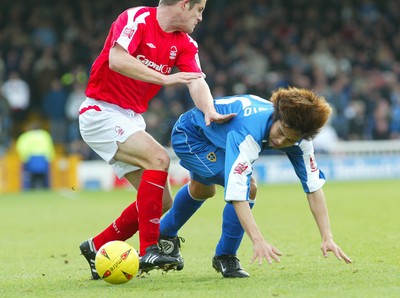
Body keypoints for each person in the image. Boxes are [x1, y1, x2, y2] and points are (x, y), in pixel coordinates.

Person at [78, 0, 235, 280]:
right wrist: (164, 79)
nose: (200, 18)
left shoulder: (186, 43)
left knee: (162, 201)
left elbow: (196, 80)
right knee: (159, 158)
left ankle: (96, 246)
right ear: (184, 5)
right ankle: (149, 248)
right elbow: (117, 59)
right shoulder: (136, 18)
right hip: (100, 110)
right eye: (199, 10)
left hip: (130, 117)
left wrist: (209, 110)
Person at [158, 87, 353, 278]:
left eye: (290, 140)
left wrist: (327, 237)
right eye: (281, 132)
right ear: (276, 117)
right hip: (191, 136)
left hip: (217, 137)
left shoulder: (300, 140)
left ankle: (164, 235)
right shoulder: (250, 132)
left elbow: (313, 187)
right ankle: (226, 255)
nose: (281, 141)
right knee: (248, 185)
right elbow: (237, 191)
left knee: (202, 191)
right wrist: (258, 240)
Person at [15, 122, 56, 189]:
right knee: (46, 176)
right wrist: (50, 159)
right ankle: (47, 188)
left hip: (30, 159)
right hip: (43, 159)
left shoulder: (26, 136)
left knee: (27, 175)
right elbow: (50, 148)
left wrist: (24, 159)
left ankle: (27, 189)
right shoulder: (45, 135)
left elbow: (21, 148)